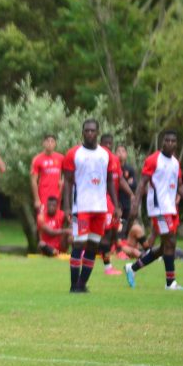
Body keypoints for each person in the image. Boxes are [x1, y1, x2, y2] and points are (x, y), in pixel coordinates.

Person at [125, 130, 183, 290]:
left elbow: (180, 186)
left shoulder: (175, 163)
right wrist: (135, 204)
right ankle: (170, 283)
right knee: (171, 241)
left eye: (173, 141)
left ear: (176, 144)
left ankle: (132, 268)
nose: (170, 143)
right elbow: (142, 183)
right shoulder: (153, 159)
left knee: (165, 247)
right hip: (157, 208)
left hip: (170, 208)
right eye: (167, 140)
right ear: (162, 142)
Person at [62, 119, 117, 293]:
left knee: (93, 245)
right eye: (87, 130)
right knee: (79, 244)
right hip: (81, 207)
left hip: (100, 208)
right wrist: (67, 206)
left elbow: (110, 181)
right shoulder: (74, 154)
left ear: (98, 132)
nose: (90, 133)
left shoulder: (106, 155)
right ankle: (73, 285)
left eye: (93, 130)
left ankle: (82, 284)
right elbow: (67, 182)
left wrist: (116, 206)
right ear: (82, 132)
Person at [98, 133, 134, 276]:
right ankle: (107, 266)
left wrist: (131, 194)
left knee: (113, 230)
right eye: (105, 143)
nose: (108, 146)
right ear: (100, 144)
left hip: (111, 203)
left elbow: (120, 179)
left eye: (110, 143)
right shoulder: (97, 157)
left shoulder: (114, 160)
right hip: (99, 200)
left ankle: (108, 256)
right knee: (105, 232)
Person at [30, 134, 63, 212]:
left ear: (55, 144)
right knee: (42, 217)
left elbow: (68, 172)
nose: (50, 143)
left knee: (55, 217)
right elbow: (33, 181)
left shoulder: (61, 158)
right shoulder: (37, 159)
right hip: (43, 194)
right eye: (48, 141)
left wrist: (62, 182)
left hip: (57, 194)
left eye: (52, 141)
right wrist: (36, 199)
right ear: (43, 143)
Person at [115, 144, 137, 240]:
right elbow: (116, 184)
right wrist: (126, 182)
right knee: (116, 223)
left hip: (126, 201)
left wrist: (124, 184)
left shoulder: (130, 169)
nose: (120, 154)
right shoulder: (113, 167)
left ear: (126, 154)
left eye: (123, 151)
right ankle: (116, 242)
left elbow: (134, 185)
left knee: (125, 223)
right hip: (116, 200)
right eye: (118, 151)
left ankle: (124, 241)